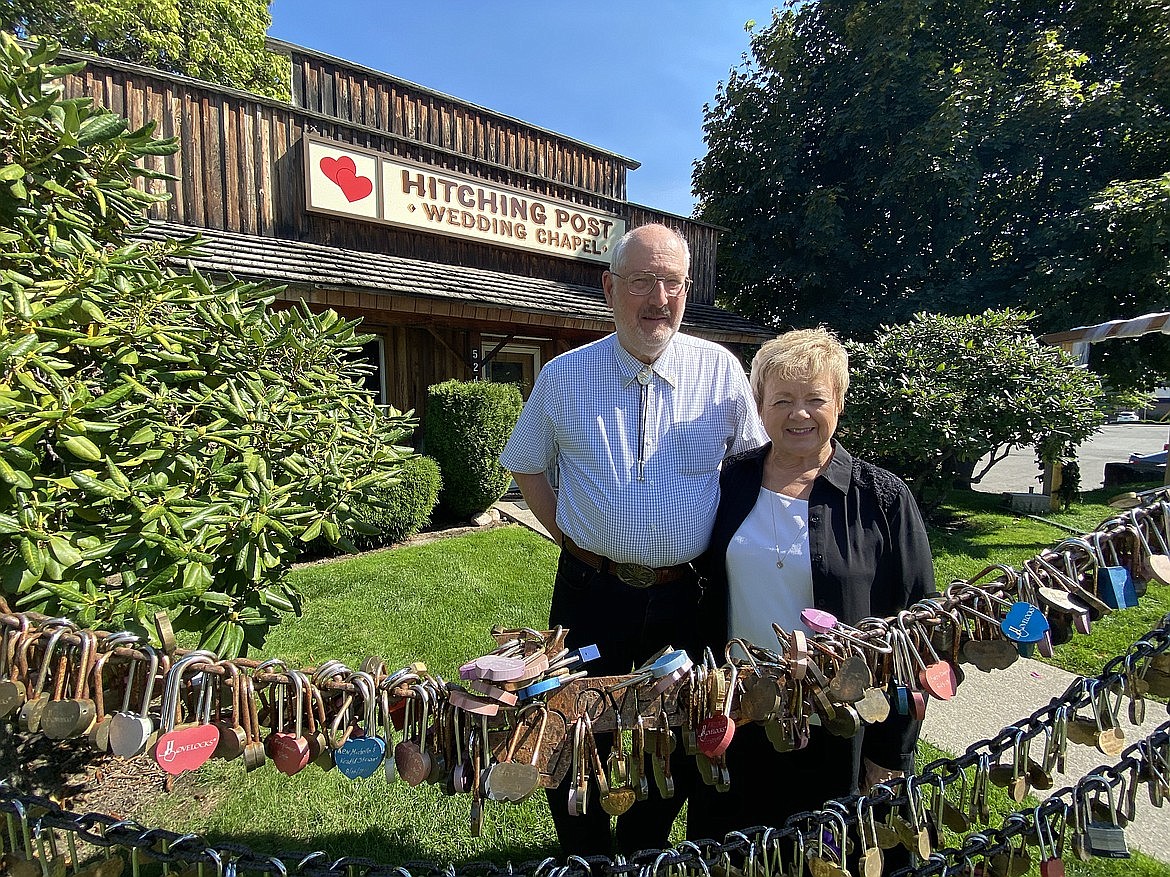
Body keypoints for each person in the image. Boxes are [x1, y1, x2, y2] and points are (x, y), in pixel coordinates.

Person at [500, 223, 768, 857]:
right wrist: (572, 540)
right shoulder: (564, 376)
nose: (658, 297)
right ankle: (583, 854)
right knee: (571, 728)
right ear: (610, 286)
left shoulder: (720, 371)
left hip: (686, 599)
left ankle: (642, 847)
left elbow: (754, 465)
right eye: (643, 280)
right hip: (592, 592)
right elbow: (527, 464)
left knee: (672, 733)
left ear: (686, 289)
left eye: (672, 282)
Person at [686, 327, 936, 841]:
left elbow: (919, 635)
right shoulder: (727, 482)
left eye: (814, 399)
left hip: (840, 725)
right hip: (741, 714)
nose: (798, 414)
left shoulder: (883, 499)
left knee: (831, 855)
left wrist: (890, 751)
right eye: (782, 400)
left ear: (839, 403)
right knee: (737, 853)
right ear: (759, 408)